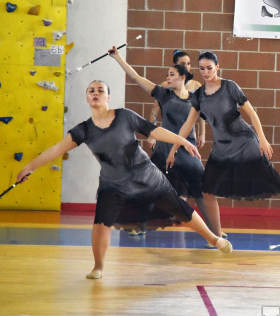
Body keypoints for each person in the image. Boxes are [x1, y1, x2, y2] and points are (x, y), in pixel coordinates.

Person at [16, 80, 233, 280]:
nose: (96, 93)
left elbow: (154, 131)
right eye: (91, 90)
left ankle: (214, 239)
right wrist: (29, 167)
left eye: (101, 90)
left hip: (146, 177)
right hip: (113, 184)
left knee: (179, 209)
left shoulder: (124, 116)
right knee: (102, 223)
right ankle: (98, 267)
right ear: (87, 98)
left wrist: (182, 142)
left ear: (108, 97)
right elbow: (56, 149)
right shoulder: (83, 130)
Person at [168, 51, 280, 238]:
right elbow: (187, 126)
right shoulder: (198, 96)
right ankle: (217, 235)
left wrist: (262, 139)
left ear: (217, 67)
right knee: (207, 192)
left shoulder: (230, 87)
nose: (205, 72)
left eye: (209, 68)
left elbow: (252, 113)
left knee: (276, 183)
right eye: (202, 68)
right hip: (222, 149)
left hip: (245, 143)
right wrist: (173, 149)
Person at [108, 46, 223, 239]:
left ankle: (216, 233)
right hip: (163, 150)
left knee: (202, 193)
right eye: (168, 75)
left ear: (182, 77)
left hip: (188, 151)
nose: (168, 78)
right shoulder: (163, 94)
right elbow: (136, 77)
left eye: (171, 75)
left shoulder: (196, 99)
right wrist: (118, 57)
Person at [146, 50, 206, 151]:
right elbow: (155, 110)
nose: (187, 66)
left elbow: (201, 112)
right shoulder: (166, 85)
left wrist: (202, 133)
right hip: (169, 133)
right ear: (175, 66)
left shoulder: (196, 86)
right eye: (183, 64)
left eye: (188, 63)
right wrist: (152, 134)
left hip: (189, 135)